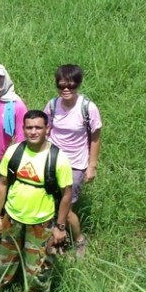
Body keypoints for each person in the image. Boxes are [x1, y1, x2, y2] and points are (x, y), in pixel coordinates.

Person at [0, 110, 73, 292]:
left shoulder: (58, 159)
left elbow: (66, 195)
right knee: (3, 261)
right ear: (23, 129)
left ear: (48, 129)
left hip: (41, 222)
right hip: (11, 217)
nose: (33, 132)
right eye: (29, 127)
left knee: (38, 268)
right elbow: (2, 183)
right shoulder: (14, 152)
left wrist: (60, 227)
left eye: (38, 127)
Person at [44, 64, 102, 258]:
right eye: (61, 86)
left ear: (78, 84)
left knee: (66, 208)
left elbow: (95, 137)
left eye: (71, 85)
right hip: (52, 160)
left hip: (76, 164)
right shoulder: (52, 106)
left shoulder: (87, 108)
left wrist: (92, 165)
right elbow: (45, 130)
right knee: (50, 203)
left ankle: (78, 240)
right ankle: (57, 239)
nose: (66, 90)